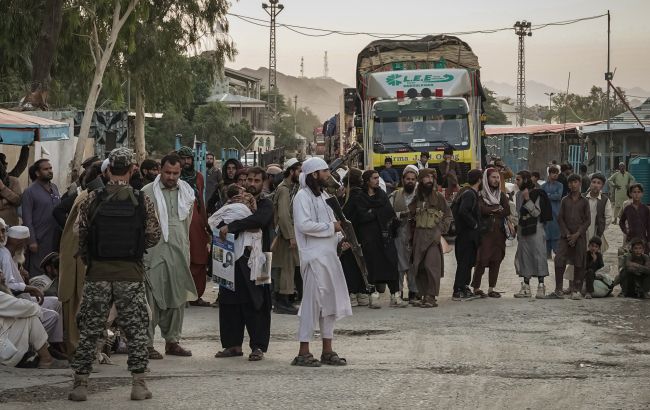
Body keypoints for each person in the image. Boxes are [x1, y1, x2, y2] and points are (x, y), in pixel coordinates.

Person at [70, 147, 161, 401]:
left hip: (97, 273)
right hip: (130, 274)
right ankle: (139, 385)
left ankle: (80, 385)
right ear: (133, 170)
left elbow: (80, 233)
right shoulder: (142, 199)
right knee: (136, 330)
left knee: (90, 328)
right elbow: (153, 236)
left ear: (108, 169)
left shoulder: (91, 198)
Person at [291, 157, 352, 367]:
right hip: (313, 259)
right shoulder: (301, 197)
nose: (329, 175)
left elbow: (331, 226)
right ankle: (303, 351)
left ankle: (327, 350)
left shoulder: (324, 196)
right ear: (314, 174)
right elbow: (304, 225)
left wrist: (340, 239)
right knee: (311, 306)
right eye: (325, 171)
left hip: (329, 258)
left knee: (330, 305)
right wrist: (331, 228)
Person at [213, 167, 273, 362]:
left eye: (257, 180)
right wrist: (238, 224)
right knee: (229, 300)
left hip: (261, 258)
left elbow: (260, 220)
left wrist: (234, 226)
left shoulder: (265, 203)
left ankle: (258, 346)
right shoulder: (234, 201)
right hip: (231, 257)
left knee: (258, 303)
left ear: (263, 183)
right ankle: (232, 345)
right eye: (249, 180)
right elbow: (219, 220)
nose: (252, 184)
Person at [141, 154, 196, 359]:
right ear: (160, 170)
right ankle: (146, 345)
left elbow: (187, 224)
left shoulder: (187, 194)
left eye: (175, 173)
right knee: (150, 300)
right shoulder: (146, 193)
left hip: (178, 252)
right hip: (153, 254)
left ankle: (172, 341)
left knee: (177, 298)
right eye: (167, 172)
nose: (171, 177)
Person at [57, 162, 104, 354]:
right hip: (78, 260)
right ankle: (77, 351)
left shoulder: (96, 196)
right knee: (77, 303)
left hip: (86, 260)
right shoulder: (88, 197)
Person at [0, 224, 65, 357]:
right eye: (25, 241)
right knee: (51, 315)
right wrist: (31, 288)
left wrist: (27, 281)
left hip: (22, 299)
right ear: (19, 242)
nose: (27, 245)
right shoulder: (5, 255)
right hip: (13, 302)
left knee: (56, 302)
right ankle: (39, 348)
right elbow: (9, 285)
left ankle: (55, 344)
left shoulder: (15, 257)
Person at [345, 170, 406, 308]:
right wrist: (374, 213)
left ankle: (395, 295)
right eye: (374, 178)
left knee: (391, 263)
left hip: (385, 236)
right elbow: (361, 216)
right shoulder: (359, 197)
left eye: (378, 178)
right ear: (367, 181)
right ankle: (373, 296)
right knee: (371, 266)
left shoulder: (382, 195)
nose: (377, 180)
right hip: (369, 238)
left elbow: (389, 214)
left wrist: (372, 212)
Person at [0, 271, 68, 369]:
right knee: (30, 317)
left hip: (4, 344)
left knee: (26, 315)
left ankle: (45, 355)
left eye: (2, 272)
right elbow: (25, 307)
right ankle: (46, 358)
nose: (2, 275)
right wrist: (37, 312)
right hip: (4, 354)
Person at [408, 169, 453, 307]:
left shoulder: (438, 197)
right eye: (426, 177)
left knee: (431, 265)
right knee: (419, 267)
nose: (429, 180)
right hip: (419, 236)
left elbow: (448, 215)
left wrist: (441, 230)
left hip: (433, 236)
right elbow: (409, 217)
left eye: (431, 177)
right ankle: (423, 295)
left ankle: (431, 296)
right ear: (421, 180)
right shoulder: (416, 198)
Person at [546, 174, 591, 300]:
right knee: (559, 259)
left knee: (579, 261)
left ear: (580, 183)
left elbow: (588, 221)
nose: (572, 185)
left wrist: (577, 234)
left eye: (575, 182)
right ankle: (558, 289)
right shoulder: (564, 200)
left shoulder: (585, 201)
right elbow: (560, 218)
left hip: (580, 236)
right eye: (570, 182)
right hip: (565, 236)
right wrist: (567, 234)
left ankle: (576, 290)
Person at [176, 146, 211, 307]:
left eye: (189, 158)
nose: (186, 162)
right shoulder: (174, 177)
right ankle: (181, 295)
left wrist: (205, 223)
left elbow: (201, 201)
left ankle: (196, 295)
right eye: (183, 158)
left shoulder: (198, 177)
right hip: (181, 220)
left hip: (197, 220)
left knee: (199, 256)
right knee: (183, 259)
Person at [471, 168, 510, 298]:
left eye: (497, 177)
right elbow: (481, 209)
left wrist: (493, 210)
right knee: (482, 260)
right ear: (486, 179)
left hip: (499, 233)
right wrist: (495, 209)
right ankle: (476, 288)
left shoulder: (501, 195)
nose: (496, 180)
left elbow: (506, 210)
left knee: (496, 260)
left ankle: (491, 288)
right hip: (485, 233)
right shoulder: (481, 195)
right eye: (493, 177)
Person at [513, 171, 553, 299]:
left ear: (525, 180)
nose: (516, 182)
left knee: (538, 257)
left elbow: (536, 213)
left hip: (536, 229)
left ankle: (541, 286)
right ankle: (526, 287)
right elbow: (519, 214)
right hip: (523, 230)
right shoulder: (519, 194)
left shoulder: (537, 193)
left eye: (518, 180)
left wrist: (527, 199)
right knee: (524, 257)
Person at [271, 158, 301, 315]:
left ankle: (283, 300)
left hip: (286, 234)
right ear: (291, 171)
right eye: (298, 170)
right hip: (284, 236)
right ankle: (282, 302)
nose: (300, 174)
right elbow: (283, 215)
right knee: (286, 268)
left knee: (287, 267)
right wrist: (291, 237)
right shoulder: (283, 190)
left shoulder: (290, 188)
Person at [21, 159, 61, 277]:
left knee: (53, 270)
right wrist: (32, 240)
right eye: (46, 169)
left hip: (54, 238)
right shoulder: (29, 191)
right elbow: (27, 218)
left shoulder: (54, 188)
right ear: (37, 173)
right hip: (39, 240)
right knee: (38, 270)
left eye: (50, 168)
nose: (49, 171)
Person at [389, 166, 419, 303]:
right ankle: (398, 292)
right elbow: (388, 215)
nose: (410, 182)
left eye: (413, 179)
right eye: (408, 179)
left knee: (414, 264)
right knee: (400, 265)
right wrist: (401, 215)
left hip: (416, 234)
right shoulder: (395, 195)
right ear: (403, 179)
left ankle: (414, 292)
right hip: (400, 233)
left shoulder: (420, 197)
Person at [452, 169, 482, 300]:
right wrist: (474, 224)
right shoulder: (470, 194)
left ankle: (464, 287)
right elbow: (463, 211)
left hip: (467, 235)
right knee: (464, 262)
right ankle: (458, 290)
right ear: (480, 180)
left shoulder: (467, 192)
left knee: (468, 262)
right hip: (467, 235)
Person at [619, 184, 650, 252]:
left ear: (642, 194)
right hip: (631, 239)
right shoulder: (628, 208)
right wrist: (626, 231)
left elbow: (648, 226)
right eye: (634, 192)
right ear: (630, 194)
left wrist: (648, 240)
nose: (636, 194)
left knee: (644, 259)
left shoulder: (645, 209)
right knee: (631, 258)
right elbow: (621, 221)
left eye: (639, 192)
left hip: (643, 239)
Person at [542, 166, 563, 259]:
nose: (555, 175)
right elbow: (542, 197)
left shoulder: (560, 185)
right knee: (546, 232)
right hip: (546, 212)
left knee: (556, 232)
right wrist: (550, 195)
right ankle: (547, 254)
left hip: (556, 212)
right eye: (553, 173)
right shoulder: (543, 186)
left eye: (556, 173)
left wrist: (547, 195)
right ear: (549, 174)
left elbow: (558, 196)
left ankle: (557, 253)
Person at [0, 159, 22, 226]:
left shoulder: (13, 181)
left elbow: (18, 201)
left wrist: (3, 188)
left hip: (10, 225)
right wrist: (5, 201)